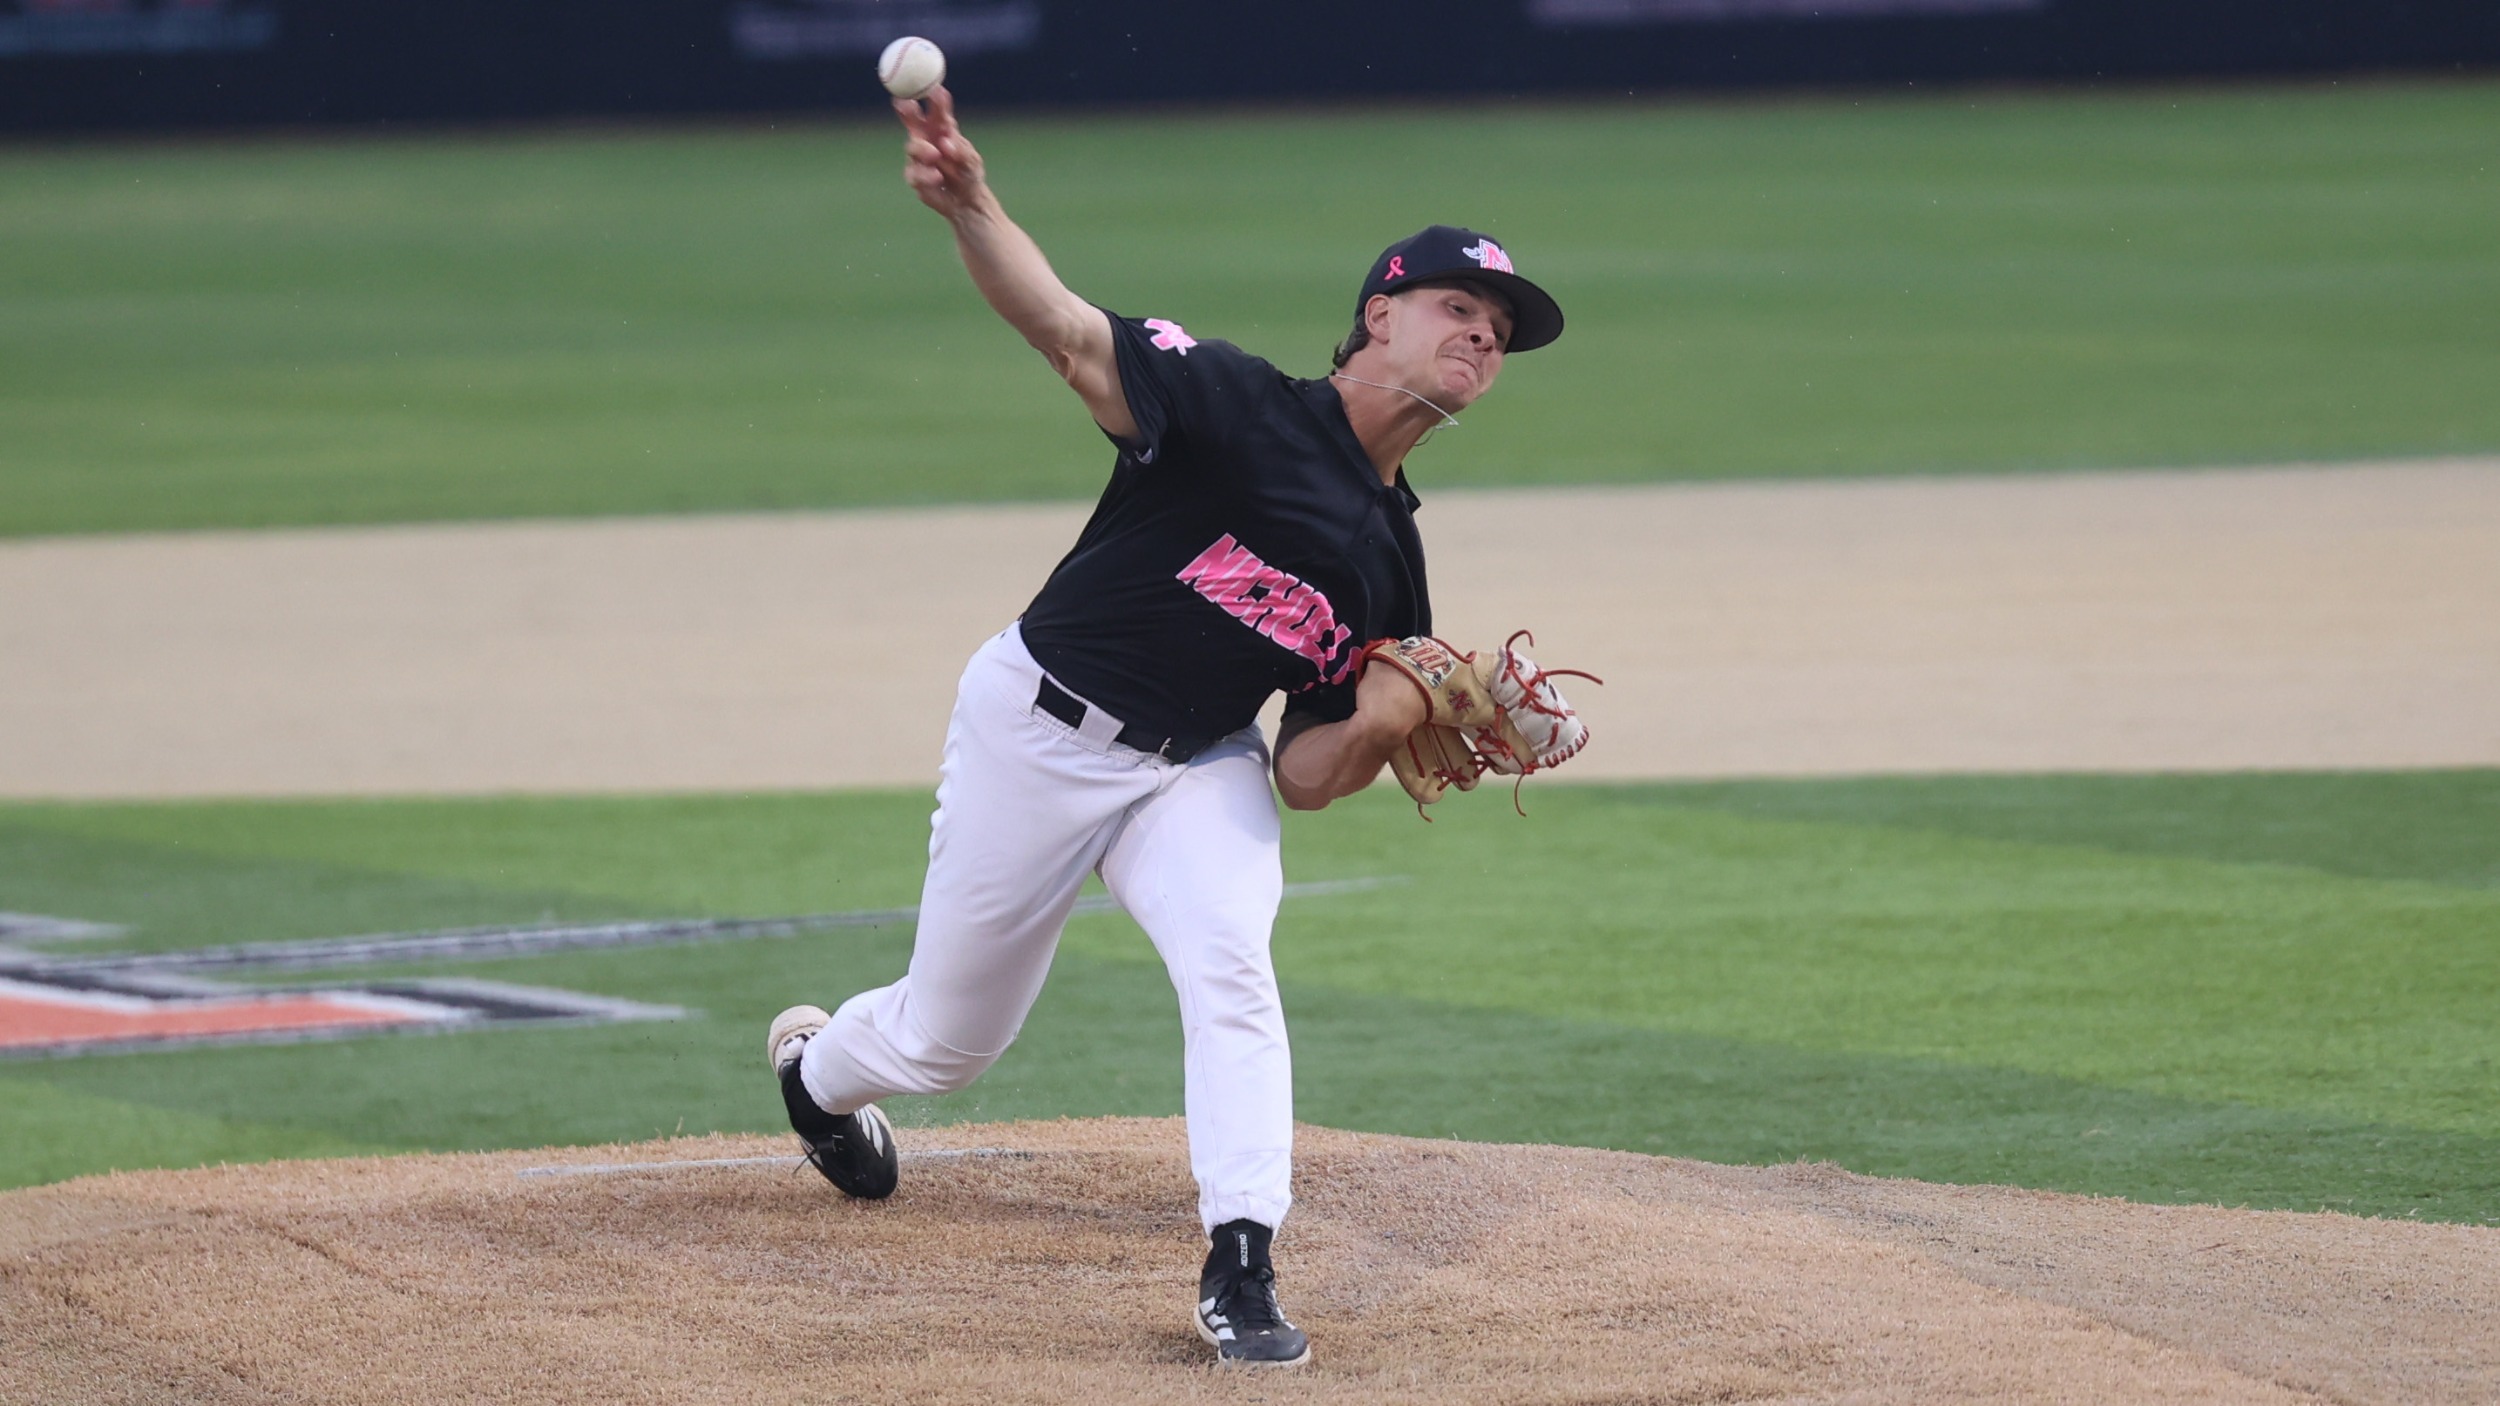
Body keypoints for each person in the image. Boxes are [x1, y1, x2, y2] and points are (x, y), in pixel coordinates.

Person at [765, 84, 1565, 1368]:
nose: (1481, 339)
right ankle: (816, 1074)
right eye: (1458, 310)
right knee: (947, 1041)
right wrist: (974, 206)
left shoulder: (1391, 566)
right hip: (1039, 727)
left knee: (1232, 966)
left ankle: (1239, 1263)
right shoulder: (1240, 404)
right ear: (1379, 315)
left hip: (1196, 766)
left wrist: (1384, 714)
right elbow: (1070, 336)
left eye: (1499, 333)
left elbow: (1307, 772)